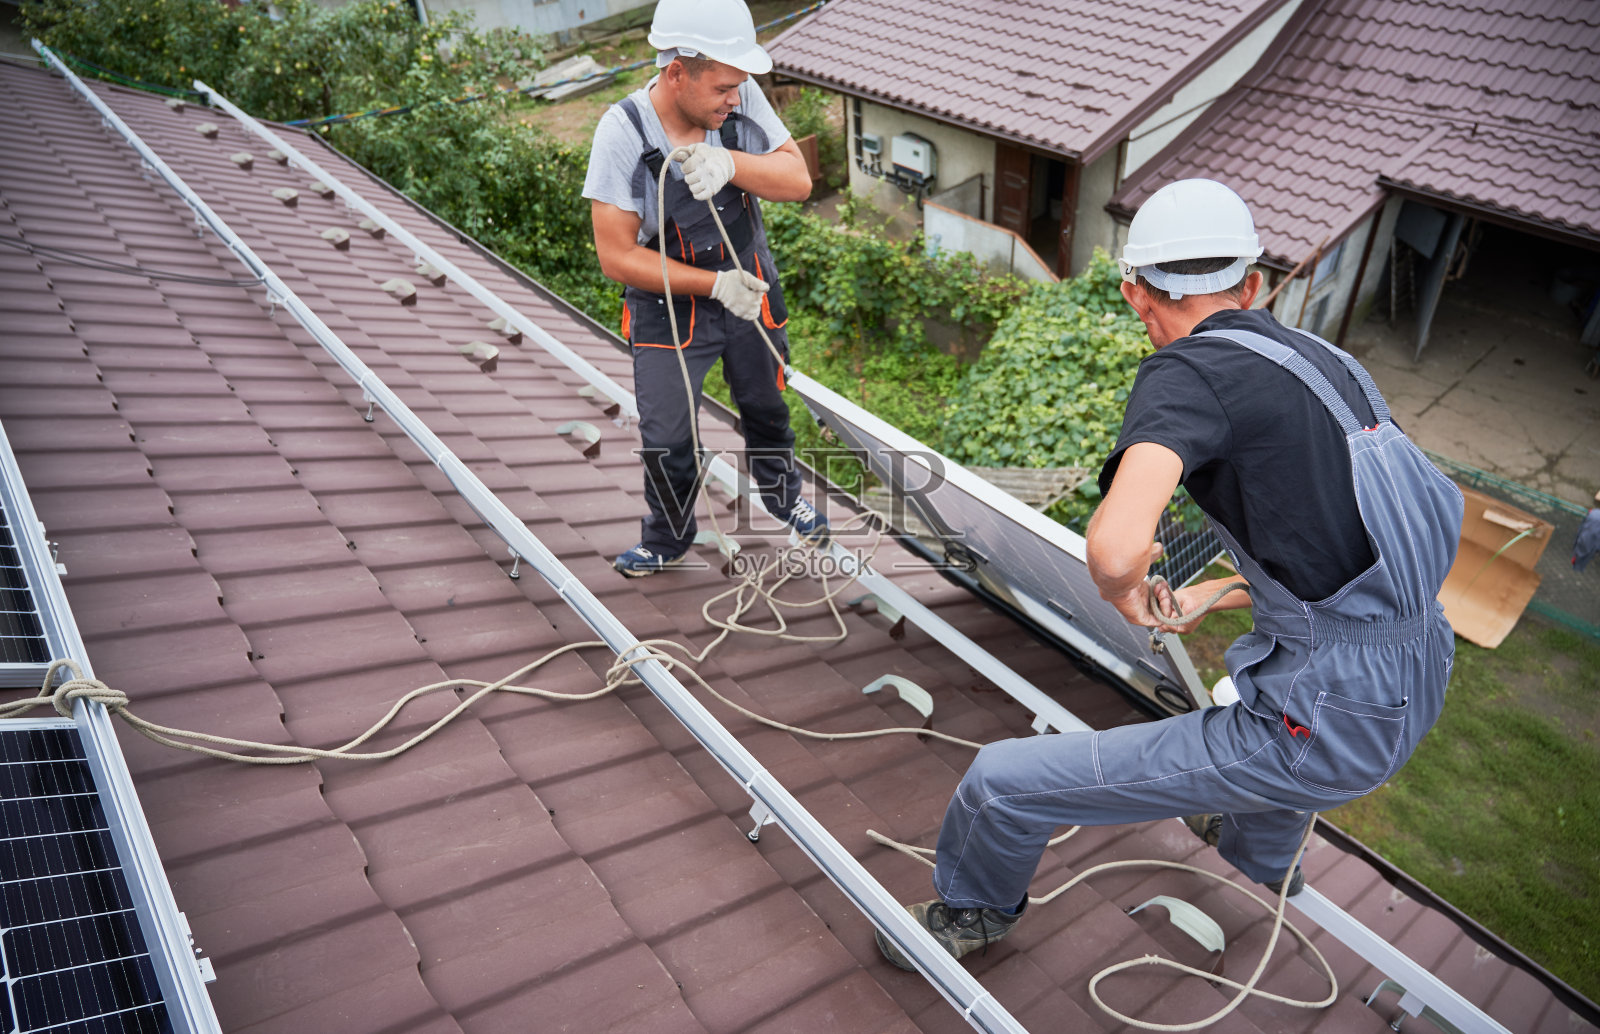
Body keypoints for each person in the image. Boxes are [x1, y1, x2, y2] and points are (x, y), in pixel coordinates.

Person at [876, 178, 1463, 970]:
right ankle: (1258, 852)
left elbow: (1116, 551)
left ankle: (972, 911)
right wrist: (1220, 591)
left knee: (1000, 780)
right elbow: (1356, 555)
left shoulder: (1185, 373)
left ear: (1135, 295)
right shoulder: (1329, 364)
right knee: (1269, 719)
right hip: (1418, 673)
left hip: (1328, 719)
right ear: (1252, 286)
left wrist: (1127, 595)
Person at [583, 0, 827, 577]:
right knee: (667, 436)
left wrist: (730, 163)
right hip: (670, 307)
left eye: (739, 86)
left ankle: (783, 495)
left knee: (766, 407)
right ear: (676, 72)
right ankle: (667, 536)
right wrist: (713, 286)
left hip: (749, 282)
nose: (734, 99)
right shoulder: (623, 132)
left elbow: (797, 180)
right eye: (722, 87)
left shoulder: (734, 97)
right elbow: (616, 255)